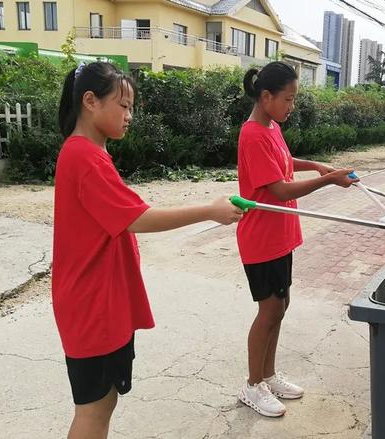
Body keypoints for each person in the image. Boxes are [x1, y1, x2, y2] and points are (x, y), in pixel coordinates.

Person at [53, 62, 243, 438]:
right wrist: (209, 210)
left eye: (131, 108)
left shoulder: (88, 152)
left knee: (102, 403)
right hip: (93, 304)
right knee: (93, 408)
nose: (129, 116)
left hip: (97, 298)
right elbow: (137, 218)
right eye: (123, 106)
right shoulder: (85, 157)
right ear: (90, 101)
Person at [236, 61, 358, 417]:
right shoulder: (252, 134)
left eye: (293, 100)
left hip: (280, 234)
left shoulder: (270, 126)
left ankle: (268, 376)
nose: (291, 106)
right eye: (288, 99)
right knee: (269, 309)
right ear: (266, 96)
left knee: (281, 306)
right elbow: (279, 187)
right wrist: (329, 179)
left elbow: (284, 161)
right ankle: (251, 384)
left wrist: (317, 165)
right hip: (261, 237)